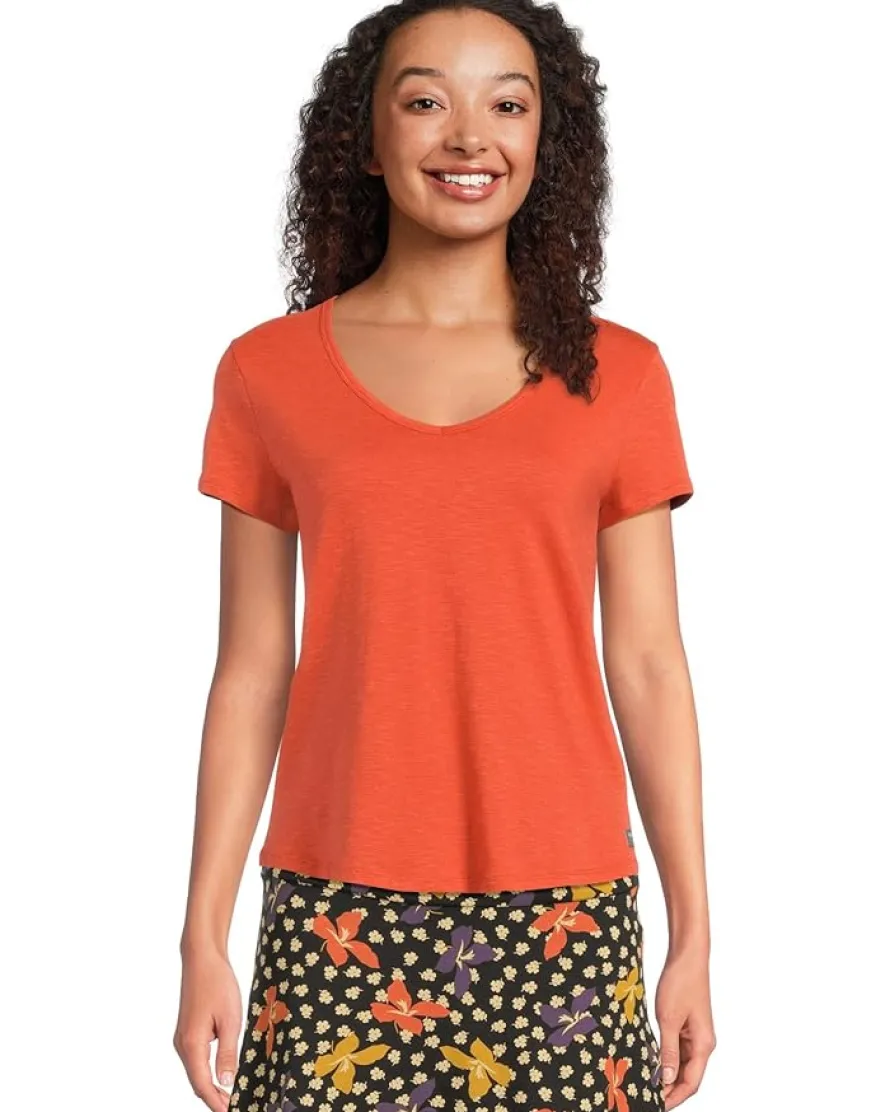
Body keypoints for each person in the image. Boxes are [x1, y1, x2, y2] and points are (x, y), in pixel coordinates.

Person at [174, 2, 716, 1110]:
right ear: (366, 141)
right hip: (334, 908)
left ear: (545, 141)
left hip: (567, 907)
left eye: (507, 105)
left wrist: (693, 933)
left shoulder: (621, 375)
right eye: (426, 100)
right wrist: (202, 935)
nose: (470, 135)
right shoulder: (267, 374)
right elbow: (251, 670)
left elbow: (650, 664)